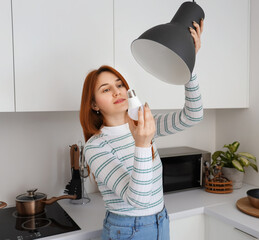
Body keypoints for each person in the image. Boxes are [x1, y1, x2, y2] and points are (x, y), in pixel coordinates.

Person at [80, 19, 204, 240]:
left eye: (119, 85)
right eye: (106, 89)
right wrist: (142, 144)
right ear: (94, 105)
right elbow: (137, 199)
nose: (117, 92)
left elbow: (193, 115)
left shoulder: (143, 124)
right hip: (127, 230)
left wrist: (190, 65)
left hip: (160, 220)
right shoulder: (96, 147)